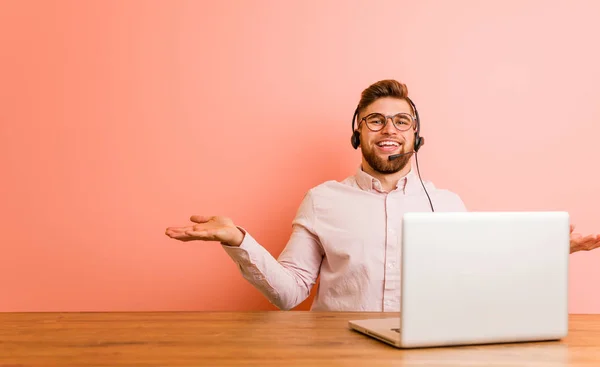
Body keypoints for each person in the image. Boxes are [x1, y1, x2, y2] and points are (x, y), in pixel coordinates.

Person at [166, 79, 600, 312]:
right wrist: (240, 240)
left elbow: (477, 282)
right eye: (375, 121)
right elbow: (289, 293)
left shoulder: (448, 204)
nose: (389, 130)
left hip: (424, 356)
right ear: (357, 133)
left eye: (401, 121)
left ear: (417, 135)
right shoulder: (322, 200)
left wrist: (540, 252)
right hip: (335, 356)